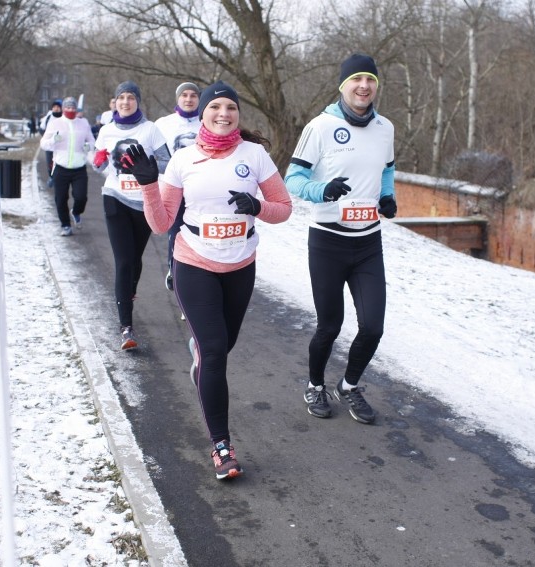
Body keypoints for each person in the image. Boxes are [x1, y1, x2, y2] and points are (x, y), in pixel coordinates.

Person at [125, 80, 292, 480]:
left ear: (238, 114)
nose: (223, 113)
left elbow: (284, 208)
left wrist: (258, 206)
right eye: (215, 106)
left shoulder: (255, 155)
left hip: (240, 265)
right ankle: (222, 446)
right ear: (202, 113)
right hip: (194, 261)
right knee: (215, 351)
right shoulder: (183, 159)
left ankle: (200, 352)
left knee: (221, 348)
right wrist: (150, 185)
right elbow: (163, 223)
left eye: (230, 107)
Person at [284, 53, 397, 425]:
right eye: (356, 80)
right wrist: (322, 191)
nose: (363, 86)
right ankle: (314, 384)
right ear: (343, 85)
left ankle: (349, 386)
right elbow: (293, 180)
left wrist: (387, 197)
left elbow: (387, 170)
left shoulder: (385, 128)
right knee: (330, 326)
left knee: (373, 327)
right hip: (328, 242)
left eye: (370, 80)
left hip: (368, 244)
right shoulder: (320, 126)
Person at [92, 81, 171, 351]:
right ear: (115, 102)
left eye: (130, 97)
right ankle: (126, 328)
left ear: (138, 101)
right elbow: (99, 164)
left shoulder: (150, 130)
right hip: (114, 197)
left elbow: (167, 161)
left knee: (135, 259)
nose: (125, 102)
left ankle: (128, 292)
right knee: (124, 261)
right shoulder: (106, 130)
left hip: (144, 201)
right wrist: (101, 160)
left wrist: (146, 167)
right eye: (121, 98)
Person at [154, 82, 201, 291]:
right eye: (184, 95)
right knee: (176, 232)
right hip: (172, 187)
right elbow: (153, 154)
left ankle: (197, 278)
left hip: (201, 189)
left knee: (198, 234)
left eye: (193, 95)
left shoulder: (207, 122)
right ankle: (174, 270)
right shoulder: (163, 124)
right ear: (177, 98)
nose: (188, 99)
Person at [39, 96, 95, 236]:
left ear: (77, 109)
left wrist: (87, 146)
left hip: (79, 167)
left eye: (73, 108)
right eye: (68, 107)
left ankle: (76, 212)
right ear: (63, 109)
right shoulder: (55, 123)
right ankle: (65, 225)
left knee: (81, 197)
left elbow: (92, 141)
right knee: (60, 199)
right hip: (61, 167)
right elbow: (43, 144)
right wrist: (53, 140)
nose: (71, 110)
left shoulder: (83, 123)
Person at [39, 99, 63, 187]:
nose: (56, 109)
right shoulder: (48, 117)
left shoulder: (64, 118)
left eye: (58, 107)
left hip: (61, 146)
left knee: (60, 163)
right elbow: (41, 129)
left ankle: (59, 179)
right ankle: (51, 177)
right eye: (54, 107)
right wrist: (47, 138)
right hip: (50, 146)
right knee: (50, 163)